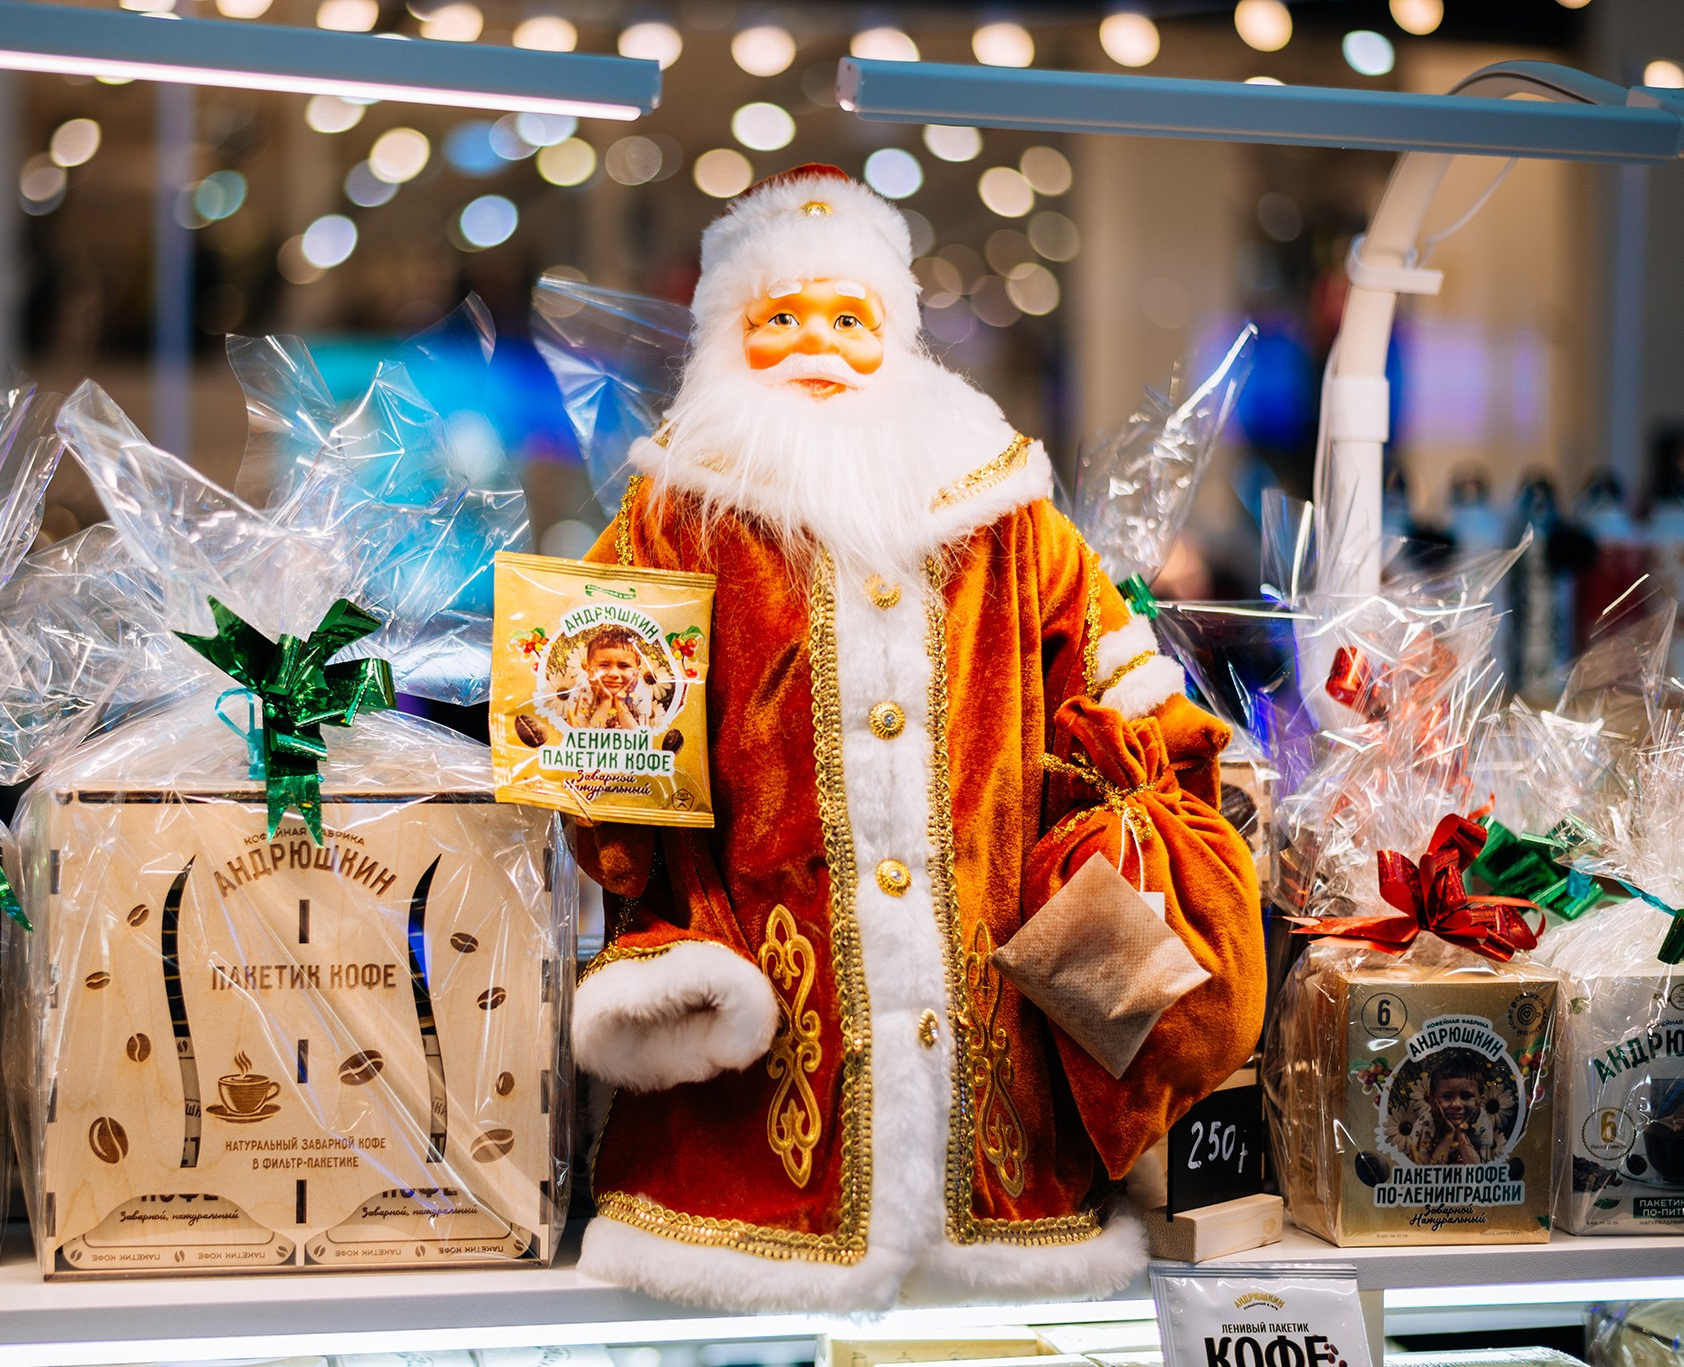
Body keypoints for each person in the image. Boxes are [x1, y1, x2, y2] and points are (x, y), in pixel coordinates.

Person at [568, 164, 1264, 1313]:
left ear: (895, 336)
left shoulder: (1006, 517)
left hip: (1005, 1125)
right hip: (743, 1134)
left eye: (847, 318)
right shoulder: (663, 518)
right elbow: (595, 739)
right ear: (725, 339)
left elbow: (1127, 701)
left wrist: (1155, 818)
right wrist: (649, 906)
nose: (815, 346)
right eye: (778, 318)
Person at [548, 626, 656, 731]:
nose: (613, 674)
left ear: (637, 671)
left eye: (624, 666)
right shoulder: (581, 692)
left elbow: (639, 740)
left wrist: (620, 703)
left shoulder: (640, 693)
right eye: (604, 665)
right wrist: (605, 702)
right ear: (587, 668)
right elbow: (583, 740)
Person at [1414, 1050, 1496, 1165]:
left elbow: (1479, 1171)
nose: (1456, 1104)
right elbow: (1425, 1172)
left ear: (1479, 1101)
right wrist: (1449, 1134)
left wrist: (1462, 1133)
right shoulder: (1425, 1124)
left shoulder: (1481, 1121)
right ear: (1433, 1101)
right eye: (1447, 1096)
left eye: (1466, 1096)